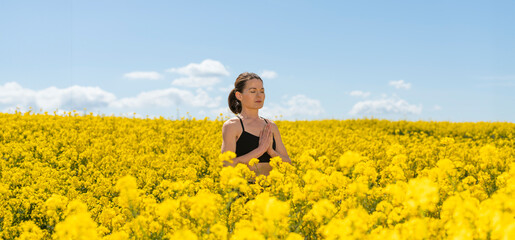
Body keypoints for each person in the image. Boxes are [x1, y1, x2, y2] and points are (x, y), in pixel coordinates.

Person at [221, 72, 291, 177]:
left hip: (271, 190)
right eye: (253, 91)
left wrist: (271, 152)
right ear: (239, 95)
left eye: (262, 91)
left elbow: (288, 164)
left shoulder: (271, 126)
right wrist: (259, 150)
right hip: (244, 190)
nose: (259, 96)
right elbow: (227, 164)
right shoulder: (232, 126)